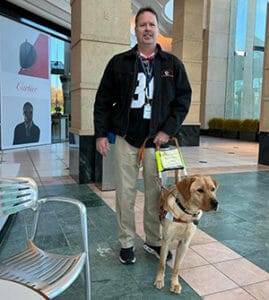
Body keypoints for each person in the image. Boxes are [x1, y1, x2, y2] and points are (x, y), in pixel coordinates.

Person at [94, 6, 192, 264]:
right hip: (126, 138)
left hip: (155, 142)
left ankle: (153, 240)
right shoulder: (119, 63)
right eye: (142, 25)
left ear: (158, 30)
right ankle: (126, 242)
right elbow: (103, 100)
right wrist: (101, 134)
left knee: (154, 195)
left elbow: (183, 100)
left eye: (151, 24)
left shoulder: (172, 65)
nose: (147, 29)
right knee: (125, 194)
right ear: (135, 30)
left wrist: (167, 130)